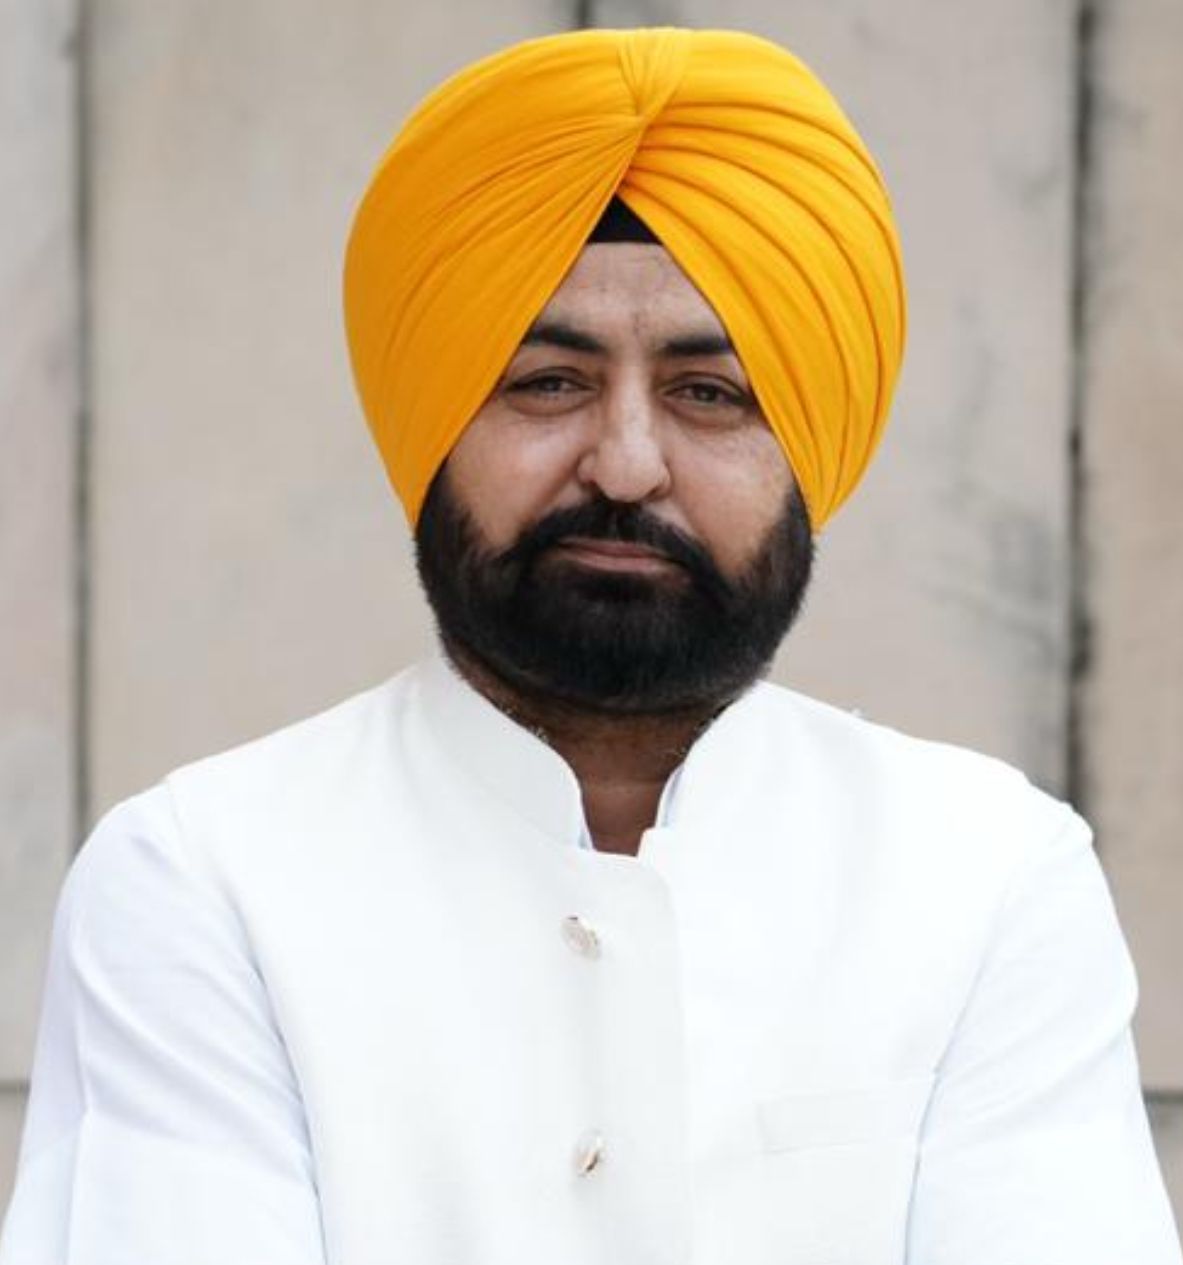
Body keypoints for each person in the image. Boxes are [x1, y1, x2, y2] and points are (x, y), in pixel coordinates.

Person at [1, 25, 1179, 1265]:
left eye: (708, 393)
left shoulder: (986, 876)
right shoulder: (206, 877)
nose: (624, 463)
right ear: (434, 424)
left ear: (810, 447)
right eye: (548, 382)